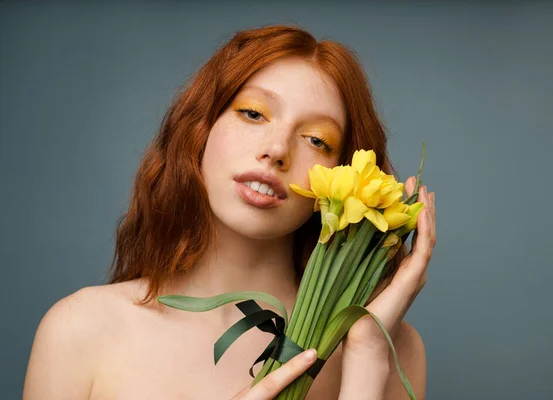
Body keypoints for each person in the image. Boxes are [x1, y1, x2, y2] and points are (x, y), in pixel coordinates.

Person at [23, 25, 436, 399]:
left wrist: (367, 354)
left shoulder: (392, 349)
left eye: (316, 139)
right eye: (253, 113)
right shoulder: (81, 330)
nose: (276, 150)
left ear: (345, 171)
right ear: (199, 127)